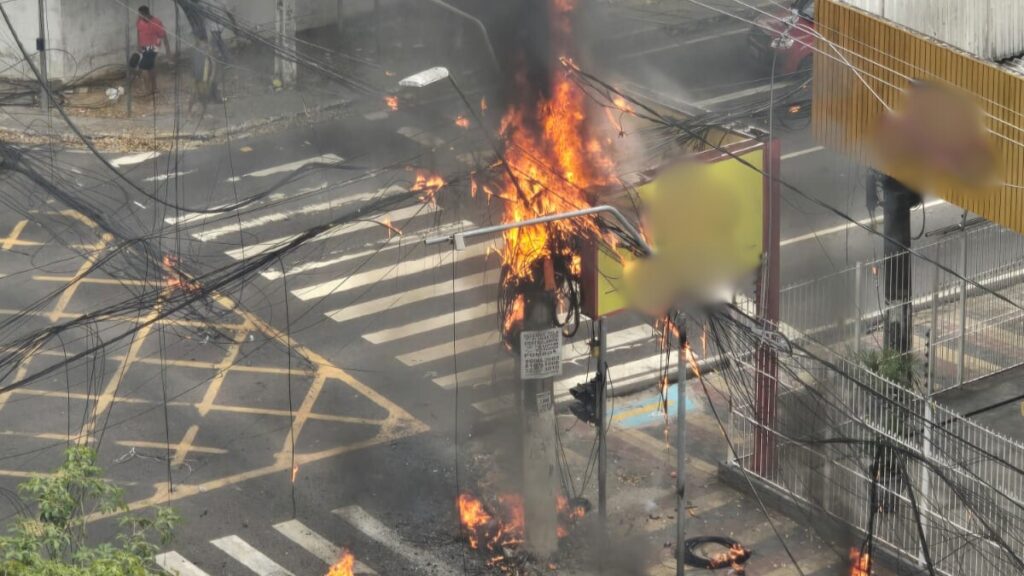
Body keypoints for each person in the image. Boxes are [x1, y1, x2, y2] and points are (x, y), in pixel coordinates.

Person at [136, 6, 166, 96]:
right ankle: (154, 88)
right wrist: (138, 44)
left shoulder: (156, 22)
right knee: (150, 68)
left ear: (145, 13)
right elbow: (138, 32)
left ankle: (147, 89)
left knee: (142, 68)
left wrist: (166, 49)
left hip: (153, 47)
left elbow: (163, 35)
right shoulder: (139, 21)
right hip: (144, 47)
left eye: (140, 14)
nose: (139, 16)